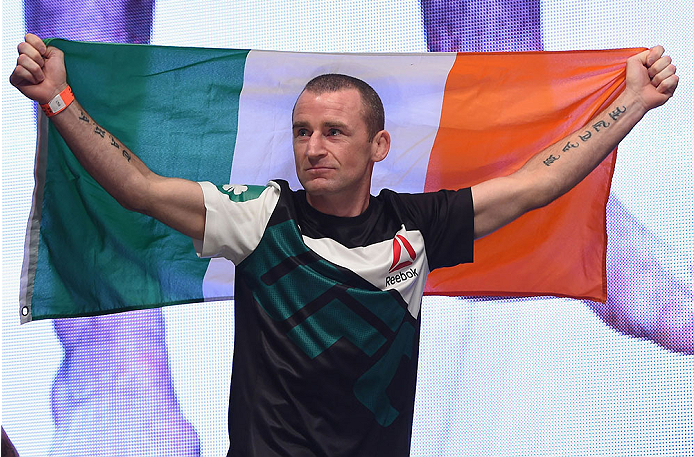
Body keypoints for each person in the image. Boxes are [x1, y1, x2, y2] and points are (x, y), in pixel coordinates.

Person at [10, 33, 678, 456]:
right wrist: (58, 97)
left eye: (334, 131)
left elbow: (540, 182)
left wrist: (634, 102)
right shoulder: (258, 215)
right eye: (303, 131)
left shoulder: (418, 227)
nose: (313, 147)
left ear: (378, 146)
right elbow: (140, 188)